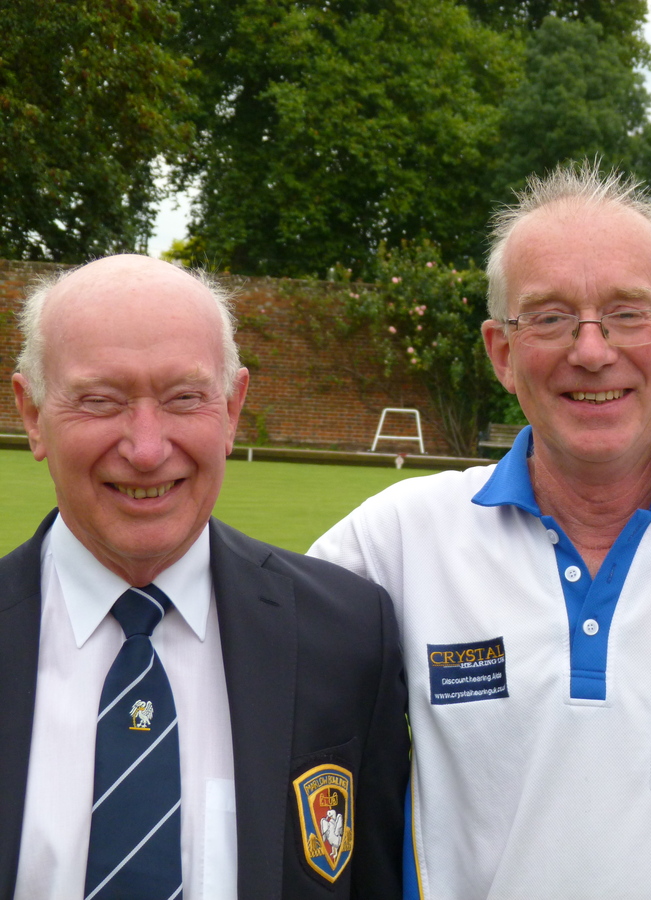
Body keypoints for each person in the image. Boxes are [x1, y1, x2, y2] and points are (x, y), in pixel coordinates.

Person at [309, 164, 651, 899]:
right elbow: (242, 673)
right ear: (502, 353)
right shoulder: (395, 541)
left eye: (629, 313)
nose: (592, 350)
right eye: (548, 317)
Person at [1, 255, 408, 899]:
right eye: (100, 400)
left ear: (232, 407)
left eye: (184, 398)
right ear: (32, 414)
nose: (146, 448)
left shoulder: (351, 635)